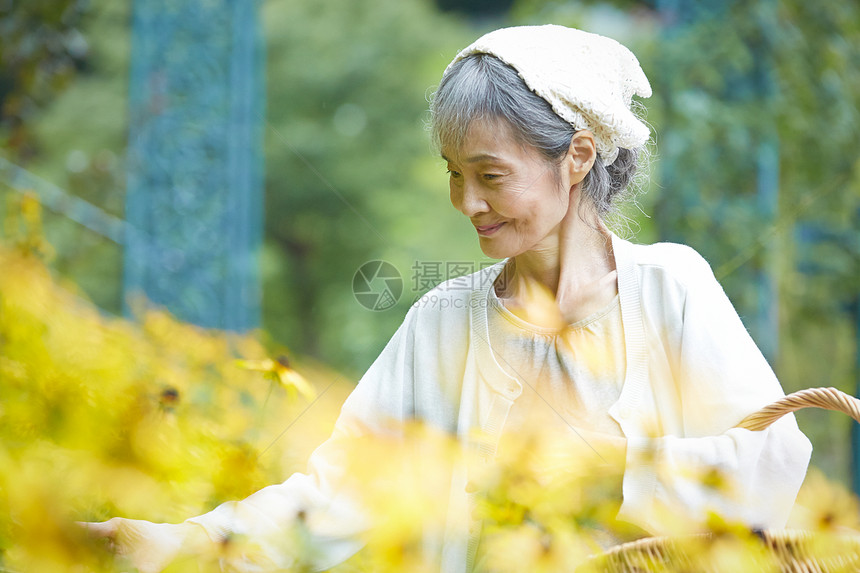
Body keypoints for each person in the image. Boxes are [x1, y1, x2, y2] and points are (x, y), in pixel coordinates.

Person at [84, 24, 812, 573]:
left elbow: (773, 467)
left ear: (578, 156)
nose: (467, 201)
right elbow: (339, 494)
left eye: (490, 175)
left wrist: (611, 466)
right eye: (453, 173)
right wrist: (179, 542)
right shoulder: (443, 321)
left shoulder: (670, 286)